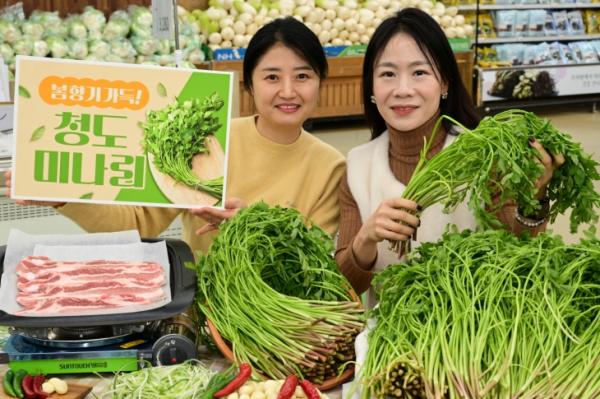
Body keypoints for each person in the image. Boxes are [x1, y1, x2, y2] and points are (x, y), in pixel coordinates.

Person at [6, 17, 345, 253]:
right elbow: (140, 225)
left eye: (303, 76)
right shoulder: (209, 139)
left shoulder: (331, 166)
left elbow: (312, 262)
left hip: (282, 320)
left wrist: (253, 224)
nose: (288, 91)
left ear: (320, 83)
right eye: (272, 77)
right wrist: (65, 197)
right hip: (202, 311)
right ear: (249, 86)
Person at [335, 8, 564, 308]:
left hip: (471, 331)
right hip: (388, 342)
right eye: (388, 74)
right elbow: (344, 287)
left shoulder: (483, 156)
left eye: (419, 72)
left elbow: (519, 251)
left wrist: (534, 195)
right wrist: (365, 239)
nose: (403, 90)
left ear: (444, 83)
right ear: (372, 89)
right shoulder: (357, 167)